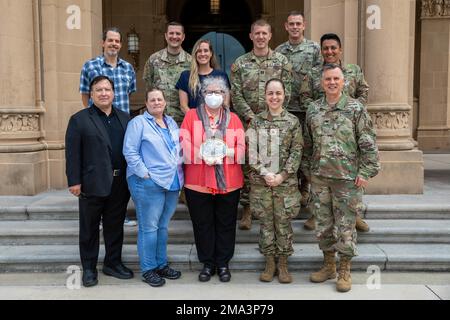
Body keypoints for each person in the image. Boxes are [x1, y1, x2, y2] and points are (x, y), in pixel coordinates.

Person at [302, 64, 380, 292]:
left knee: (345, 227)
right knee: (324, 226)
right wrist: (308, 172)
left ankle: (344, 270)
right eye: (328, 79)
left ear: (344, 82)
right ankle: (328, 266)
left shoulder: (356, 109)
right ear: (322, 83)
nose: (332, 82)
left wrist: (365, 172)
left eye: (336, 78)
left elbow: (368, 143)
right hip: (319, 179)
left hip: (347, 180)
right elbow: (308, 144)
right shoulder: (313, 110)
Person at [66, 75, 134, 287]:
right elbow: (72, 154)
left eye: (107, 89)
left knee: (115, 226)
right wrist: (74, 181)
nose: (104, 93)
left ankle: (112, 263)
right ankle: (88, 268)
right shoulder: (79, 120)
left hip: (120, 183)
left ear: (114, 93)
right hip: (91, 183)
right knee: (89, 228)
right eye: (99, 90)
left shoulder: (126, 118)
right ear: (91, 94)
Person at [300, 33, 370, 232]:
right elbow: (304, 96)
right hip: (322, 129)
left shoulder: (353, 71)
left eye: (333, 48)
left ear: (340, 49)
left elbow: (364, 91)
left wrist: (353, 111)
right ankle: (316, 215)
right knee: (321, 177)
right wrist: (318, 110)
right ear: (321, 51)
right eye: (325, 48)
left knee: (350, 175)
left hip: (348, 133)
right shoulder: (313, 73)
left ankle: (354, 215)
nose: (329, 51)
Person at [180, 76, 245, 282]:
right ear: (203, 95)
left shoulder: (233, 119)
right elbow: (183, 142)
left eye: (218, 92)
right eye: (210, 92)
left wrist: (226, 151)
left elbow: (242, 149)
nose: (214, 96)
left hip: (229, 181)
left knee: (226, 224)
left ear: (225, 96)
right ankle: (208, 263)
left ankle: (223, 263)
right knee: (203, 224)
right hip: (197, 181)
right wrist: (203, 154)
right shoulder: (191, 116)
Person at [231, 19, 293, 230]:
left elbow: (287, 91)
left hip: (275, 123)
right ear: (251, 36)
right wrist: (251, 117)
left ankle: (273, 208)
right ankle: (247, 210)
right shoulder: (240, 63)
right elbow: (236, 94)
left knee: (274, 161)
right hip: (248, 123)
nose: (260, 37)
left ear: (270, 36)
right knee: (249, 164)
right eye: (257, 33)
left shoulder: (282, 61)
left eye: (264, 33)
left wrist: (272, 115)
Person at [123, 89, 183, 287]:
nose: (156, 102)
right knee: (149, 228)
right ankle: (148, 269)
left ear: (165, 103)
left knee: (163, 227)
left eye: (160, 99)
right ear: (146, 104)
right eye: (152, 100)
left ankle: (161, 264)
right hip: (148, 182)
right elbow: (130, 151)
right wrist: (144, 174)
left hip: (172, 182)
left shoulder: (172, 122)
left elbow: (177, 150)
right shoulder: (138, 123)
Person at [79, 27, 137, 227]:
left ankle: (120, 213)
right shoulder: (90, 66)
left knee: (121, 166)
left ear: (120, 44)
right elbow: (85, 94)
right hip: (97, 123)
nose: (114, 44)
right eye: (110, 40)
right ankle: (100, 213)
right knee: (100, 165)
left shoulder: (128, 68)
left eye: (117, 41)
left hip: (121, 125)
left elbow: (128, 94)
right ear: (103, 43)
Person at [248, 79, 303, 284]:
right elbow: (251, 151)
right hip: (262, 183)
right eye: (270, 93)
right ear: (265, 96)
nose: (274, 97)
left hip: (284, 184)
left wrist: (282, 175)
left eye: (278, 93)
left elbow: (296, 151)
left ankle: (283, 264)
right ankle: (269, 262)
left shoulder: (292, 122)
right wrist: (264, 172)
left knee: (283, 224)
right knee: (265, 224)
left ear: (284, 95)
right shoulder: (256, 122)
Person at [275, 11, 322, 209]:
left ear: (304, 26)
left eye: (298, 24)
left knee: (307, 151)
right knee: (288, 150)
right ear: (286, 26)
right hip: (285, 109)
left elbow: (320, 76)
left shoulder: (314, 49)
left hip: (307, 110)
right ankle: (292, 189)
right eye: (291, 24)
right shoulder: (279, 51)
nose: (295, 27)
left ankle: (306, 190)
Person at [143, 22, 191, 126]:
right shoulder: (153, 60)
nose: (174, 36)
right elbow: (148, 88)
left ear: (183, 37)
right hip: (157, 120)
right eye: (171, 33)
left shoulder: (191, 62)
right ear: (165, 36)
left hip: (183, 121)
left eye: (178, 34)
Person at [176, 39, 230, 112]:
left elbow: (225, 104)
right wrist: (195, 119)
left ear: (211, 53)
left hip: (216, 121)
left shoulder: (221, 75)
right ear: (195, 54)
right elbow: (183, 106)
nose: (202, 54)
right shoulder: (185, 76)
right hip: (194, 121)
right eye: (199, 51)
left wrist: (215, 121)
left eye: (206, 50)